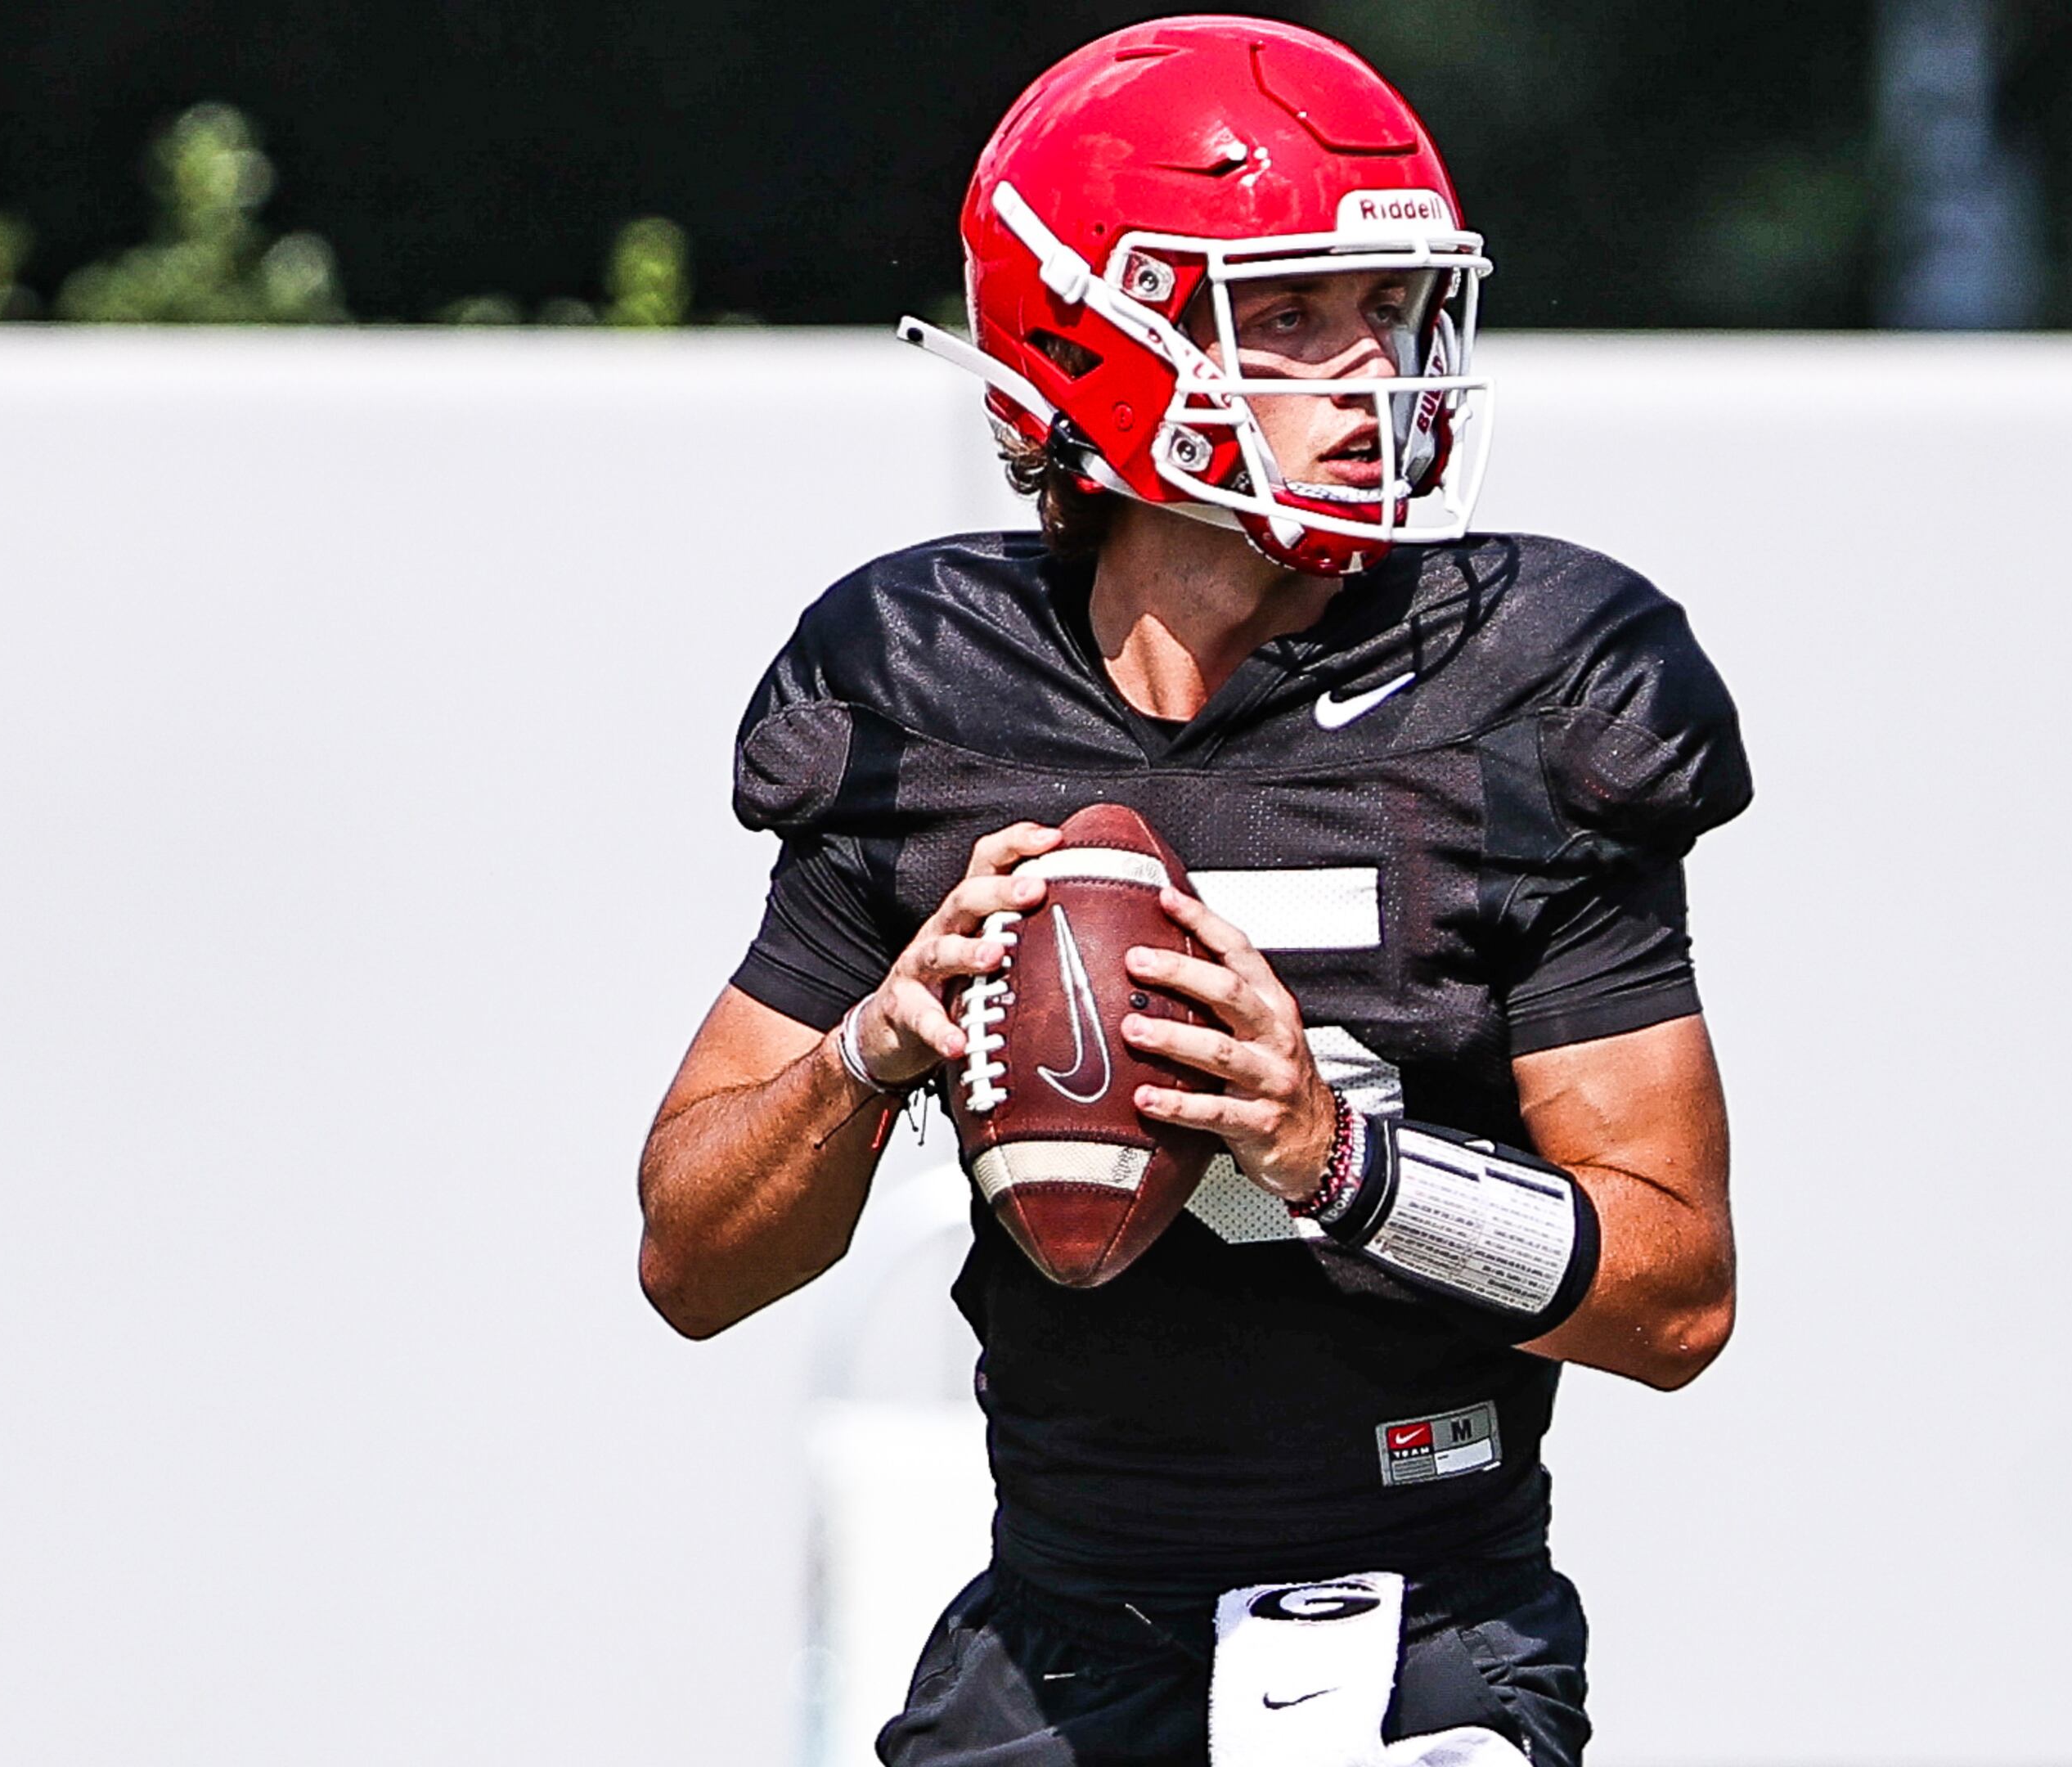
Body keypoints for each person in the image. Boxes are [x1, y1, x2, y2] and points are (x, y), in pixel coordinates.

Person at [636, 17, 1750, 1765]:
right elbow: (687, 1261)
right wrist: (868, 1051)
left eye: (1384, 310)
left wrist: (1335, 1157)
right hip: (1064, 1637)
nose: (1365, 364)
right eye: (1292, 315)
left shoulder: (1534, 682)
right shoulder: (922, 685)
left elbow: (1679, 1298)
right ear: (1094, 343)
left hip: (1427, 1621)